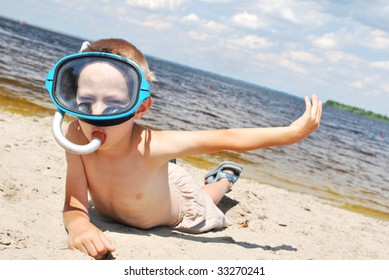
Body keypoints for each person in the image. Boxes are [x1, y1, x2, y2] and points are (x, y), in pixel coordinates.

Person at [46, 38, 322, 259]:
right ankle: (182, 172)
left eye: (115, 104)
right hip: (156, 182)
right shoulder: (75, 136)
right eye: (85, 102)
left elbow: (226, 137)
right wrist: (80, 226)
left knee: (207, 196)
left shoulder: (152, 146)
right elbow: (74, 204)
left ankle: (225, 178)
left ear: (139, 108)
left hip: (181, 208)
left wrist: (291, 133)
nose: (97, 115)